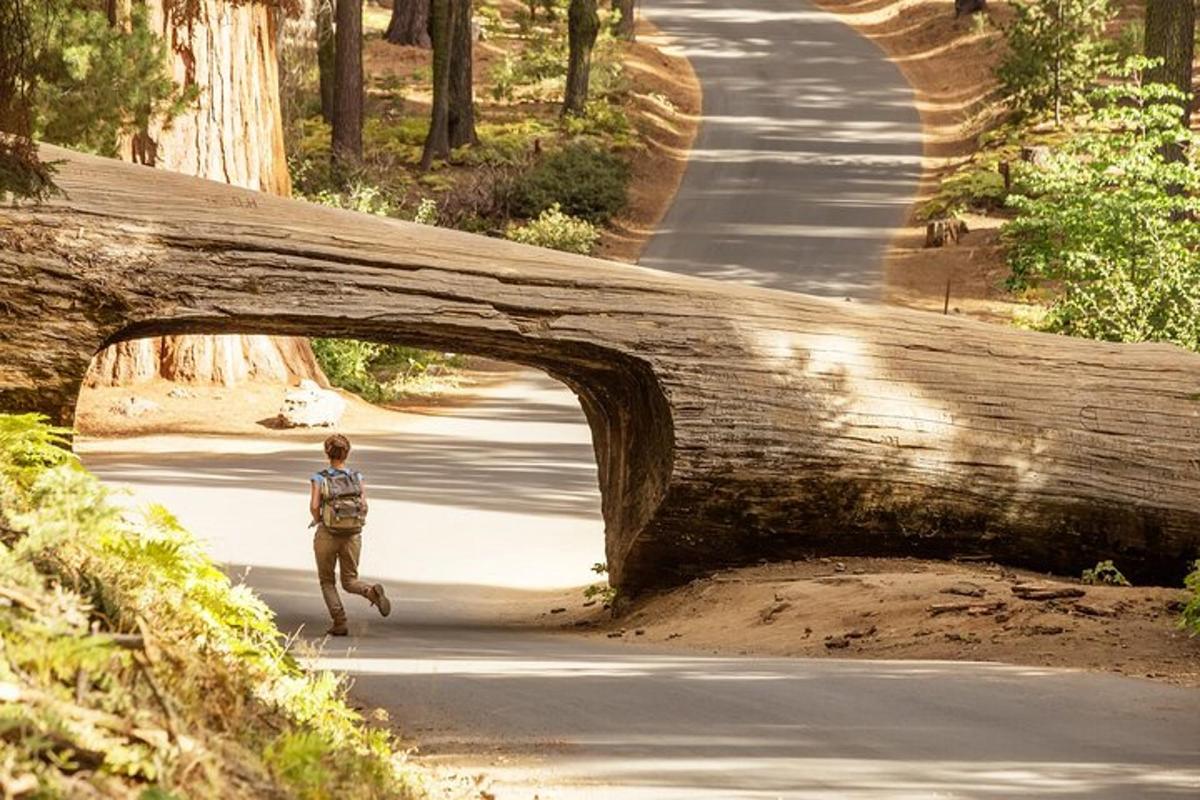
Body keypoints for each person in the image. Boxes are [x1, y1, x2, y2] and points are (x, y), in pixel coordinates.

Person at [309, 434, 390, 636]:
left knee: (327, 581)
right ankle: (370, 591)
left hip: (327, 534)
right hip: (353, 535)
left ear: (327, 453)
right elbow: (364, 505)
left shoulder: (320, 478)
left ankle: (340, 622)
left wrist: (319, 519)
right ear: (347, 453)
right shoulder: (356, 477)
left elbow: (314, 505)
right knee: (350, 580)